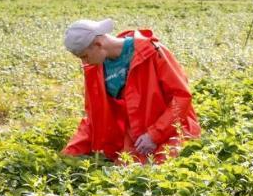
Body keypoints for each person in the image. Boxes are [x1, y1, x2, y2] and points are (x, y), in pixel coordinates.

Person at [62, 18, 200, 163]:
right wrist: (69, 153)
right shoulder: (96, 68)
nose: (84, 62)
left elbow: (181, 97)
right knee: (125, 176)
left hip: (173, 131)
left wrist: (154, 135)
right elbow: (95, 116)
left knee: (166, 170)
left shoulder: (152, 51)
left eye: (84, 56)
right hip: (136, 140)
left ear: (98, 44)